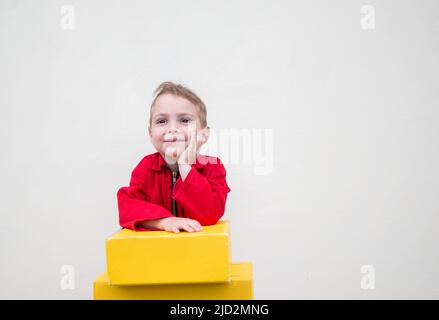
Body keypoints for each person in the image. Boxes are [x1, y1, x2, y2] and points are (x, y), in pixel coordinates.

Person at [117, 81, 231, 233]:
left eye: (184, 120)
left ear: (204, 134)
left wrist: (185, 165)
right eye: (162, 121)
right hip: (158, 252)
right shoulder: (145, 167)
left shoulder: (213, 166)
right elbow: (128, 207)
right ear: (150, 133)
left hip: (198, 251)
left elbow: (210, 215)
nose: (172, 129)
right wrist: (164, 221)